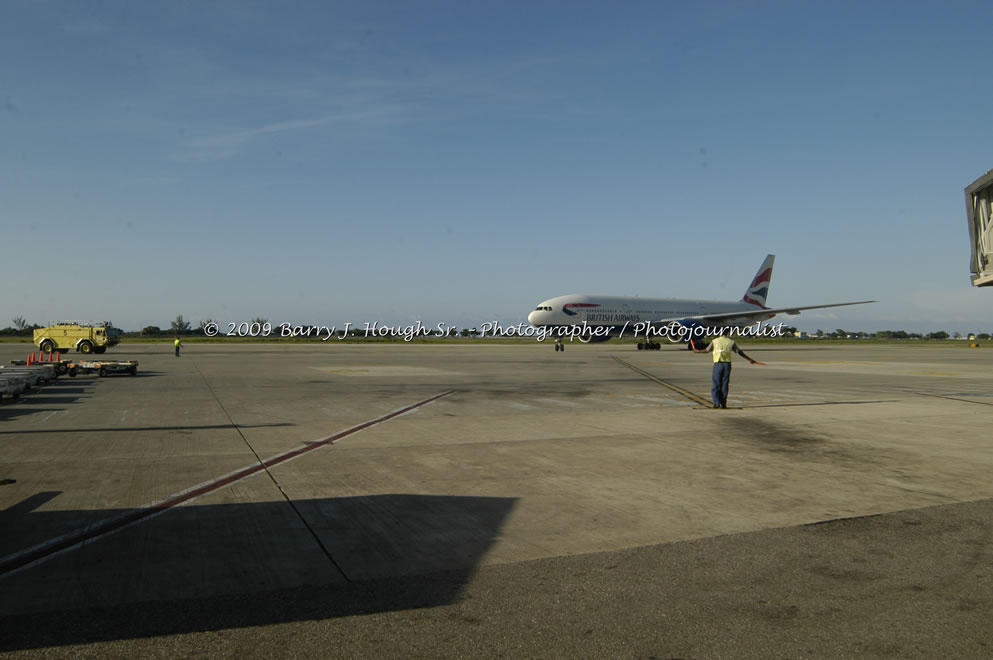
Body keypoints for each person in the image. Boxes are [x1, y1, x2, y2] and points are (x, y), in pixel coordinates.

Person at [691, 329, 760, 408]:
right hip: (727, 365)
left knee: (716, 384)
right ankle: (723, 403)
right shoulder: (731, 342)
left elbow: (706, 350)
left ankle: (716, 403)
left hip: (718, 364)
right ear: (727, 333)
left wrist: (697, 351)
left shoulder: (715, 341)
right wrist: (750, 359)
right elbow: (739, 352)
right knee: (725, 384)